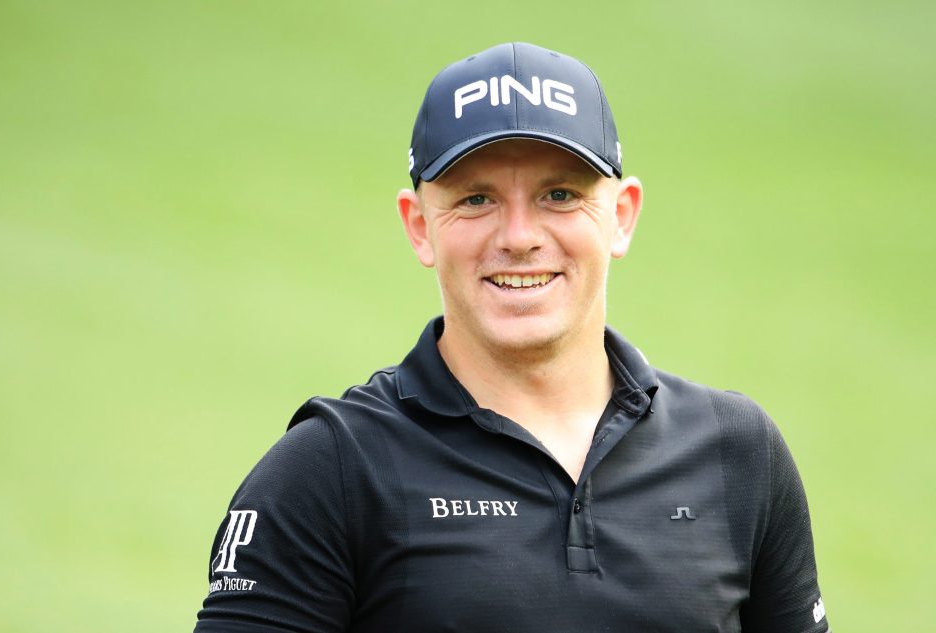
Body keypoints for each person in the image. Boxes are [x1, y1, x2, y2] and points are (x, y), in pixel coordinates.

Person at [193, 42, 829, 632]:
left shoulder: (737, 454)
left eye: (559, 194)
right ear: (419, 226)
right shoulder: (331, 471)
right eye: (476, 199)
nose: (519, 236)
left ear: (622, 216)